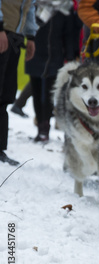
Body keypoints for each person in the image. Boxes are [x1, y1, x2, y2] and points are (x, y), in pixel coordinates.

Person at [25, 0, 82, 142]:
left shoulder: (65, 9)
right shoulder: (34, 6)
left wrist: (70, 56)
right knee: (37, 92)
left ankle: (45, 127)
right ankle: (40, 126)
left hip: (55, 57)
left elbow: (69, 34)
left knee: (48, 95)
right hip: (35, 53)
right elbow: (27, 26)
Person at [0, 0, 38, 166]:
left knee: (6, 92)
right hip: (2, 31)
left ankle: (0, 148)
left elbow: (29, 7)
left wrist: (30, 35)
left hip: (15, 35)